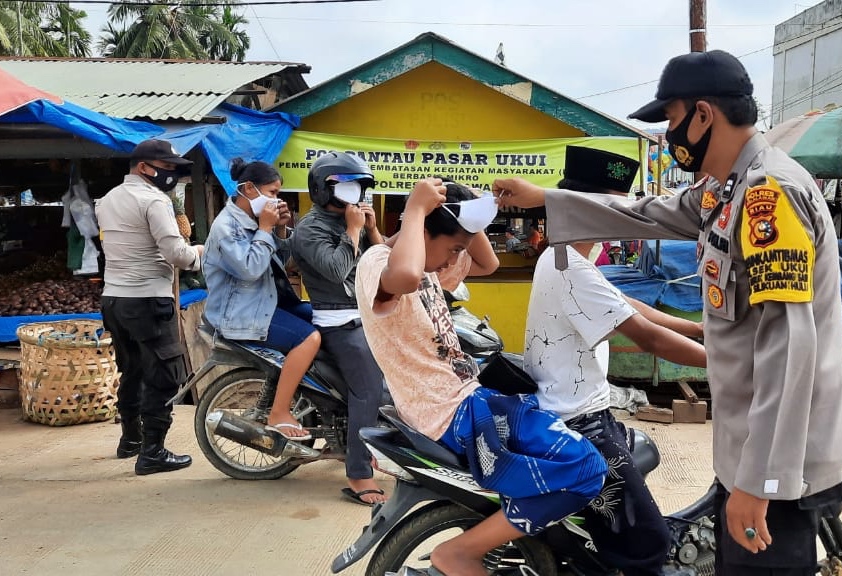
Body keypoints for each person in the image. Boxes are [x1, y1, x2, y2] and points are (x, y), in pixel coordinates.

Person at [496, 49, 842, 576]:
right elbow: (645, 212)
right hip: (749, 442)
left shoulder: (767, 196)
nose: (668, 135)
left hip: (781, 457)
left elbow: (787, 346)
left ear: (704, 114)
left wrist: (760, 481)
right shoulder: (726, 189)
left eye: (672, 120)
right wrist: (543, 200)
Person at [355, 177, 607, 576]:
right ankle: (460, 551)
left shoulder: (428, 265)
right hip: (450, 411)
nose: (455, 258)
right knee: (587, 469)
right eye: (453, 248)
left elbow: (488, 263)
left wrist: (474, 209)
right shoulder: (379, 263)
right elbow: (402, 277)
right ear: (421, 232)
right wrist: (416, 211)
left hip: (468, 397)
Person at [526, 148, 705, 575]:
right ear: (586, 209)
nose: (620, 218)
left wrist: (699, 331)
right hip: (578, 423)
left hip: (583, 410)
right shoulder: (572, 266)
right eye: (613, 209)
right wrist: (725, 364)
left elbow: (627, 304)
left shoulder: (567, 254)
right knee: (649, 543)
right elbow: (645, 336)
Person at [96, 139, 203, 475]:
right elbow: (177, 255)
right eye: (168, 168)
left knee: (133, 370)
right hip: (147, 301)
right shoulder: (154, 200)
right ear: (144, 167)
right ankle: (153, 450)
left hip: (114, 300)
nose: (171, 175)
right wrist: (198, 252)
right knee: (164, 376)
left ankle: (130, 440)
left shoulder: (108, 199)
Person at [291, 151, 388, 506]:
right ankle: (359, 473)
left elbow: (382, 261)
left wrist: (373, 229)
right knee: (369, 389)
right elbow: (335, 271)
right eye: (346, 186)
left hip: (365, 314)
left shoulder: (356, 219)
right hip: (336, 319)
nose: (355, 193)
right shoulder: (310, 228)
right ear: (323, 189)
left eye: (359, 186)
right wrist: (353, 230)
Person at [201, 159, 320, 440]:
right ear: (249, 189)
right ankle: (278, 412)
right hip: (242, 314)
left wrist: (278, 230)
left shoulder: (252, 220)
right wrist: (265, 228)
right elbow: (251, 269)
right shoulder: (225, 227)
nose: (274, 199)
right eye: (271, 192)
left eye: (277, 193)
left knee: (325, 319)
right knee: (309, 338)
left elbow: (279, 261)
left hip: (268, 302)